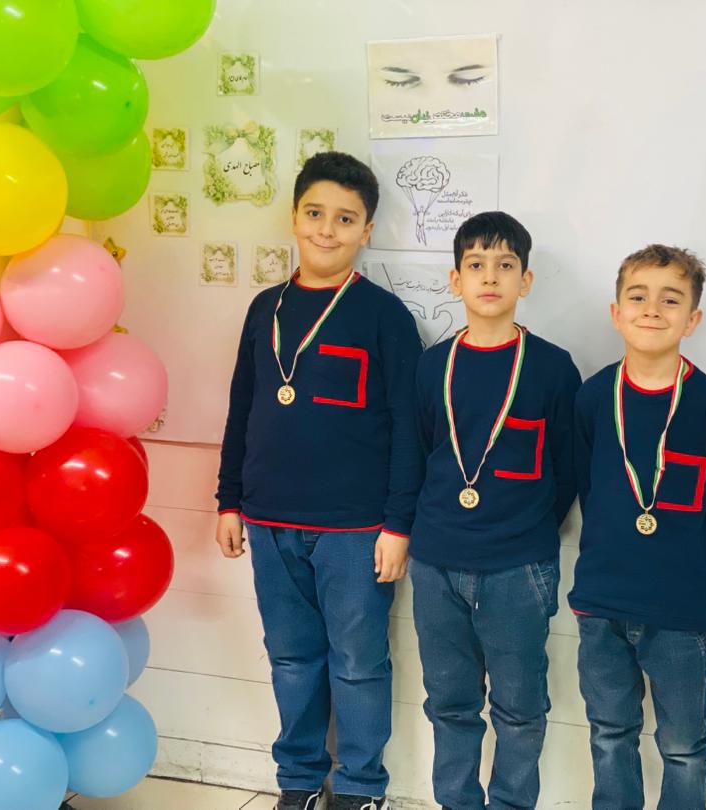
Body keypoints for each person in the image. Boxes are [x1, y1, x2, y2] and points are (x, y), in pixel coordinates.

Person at [214, 151, 422, 810]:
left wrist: (398, 524)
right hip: (268, 519)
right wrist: (228, 499)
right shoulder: (264, 308)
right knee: (291, 658)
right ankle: (299, 781)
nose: (327, 230)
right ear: (294, 218)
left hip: (355, 529)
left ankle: (360, 787)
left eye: (345, 219)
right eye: (314, 213)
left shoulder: (384, 317)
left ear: (367, 230)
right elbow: (243, 406)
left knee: (358, 662)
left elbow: (409, 429)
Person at [410, 211, 581, 809]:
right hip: (436, 562)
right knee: (449, 703)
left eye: (505, 265)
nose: (490, 277)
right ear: (454, 280)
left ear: (525, 281)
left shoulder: (553, 367)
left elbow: (567, 468)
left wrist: (528, 526)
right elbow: (420, 454)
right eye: (476, 265)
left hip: (518, 566)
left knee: (520, 708)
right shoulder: (432, 365)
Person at [570, 245, 706, 810]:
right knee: (609, 733)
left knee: (684, 747)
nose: (652, 309)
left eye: (671, 300)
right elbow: (585, 485)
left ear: (692, 319)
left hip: (679, 610)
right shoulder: (593, 397)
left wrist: (688, 566)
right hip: (602, 602)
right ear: (616, 313)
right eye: (638, 297)